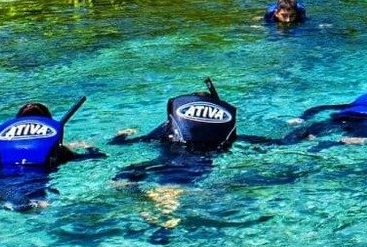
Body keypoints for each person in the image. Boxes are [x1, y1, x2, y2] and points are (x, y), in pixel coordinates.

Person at [106, 79, 279, 228]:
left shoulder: (168, 130)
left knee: (123, 178)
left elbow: (130, 143)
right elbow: (255, 141)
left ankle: (154, 211)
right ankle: (164, 220)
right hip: (198, 165)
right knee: (173, 186)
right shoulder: (222, 134)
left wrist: (121, 135)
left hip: (164, 161)